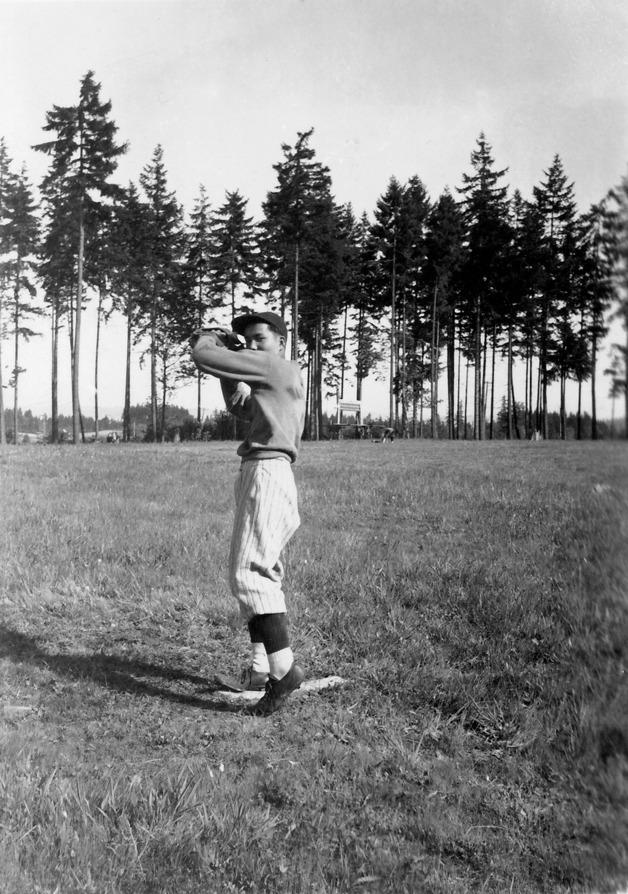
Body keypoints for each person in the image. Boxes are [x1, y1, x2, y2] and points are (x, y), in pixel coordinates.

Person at [190, 311, 306, 716]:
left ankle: (283, 671)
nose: (254, 346)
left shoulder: (274, 366)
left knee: (248, 573)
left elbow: (204, 356)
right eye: (249, 341)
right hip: (268, 471)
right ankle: (260, 670)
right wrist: (231, 374)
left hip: (266, 471)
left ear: (281, 341)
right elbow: (245, 411)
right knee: (259, 572)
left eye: (261, 338)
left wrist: (211, 334)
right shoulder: (278, 374)